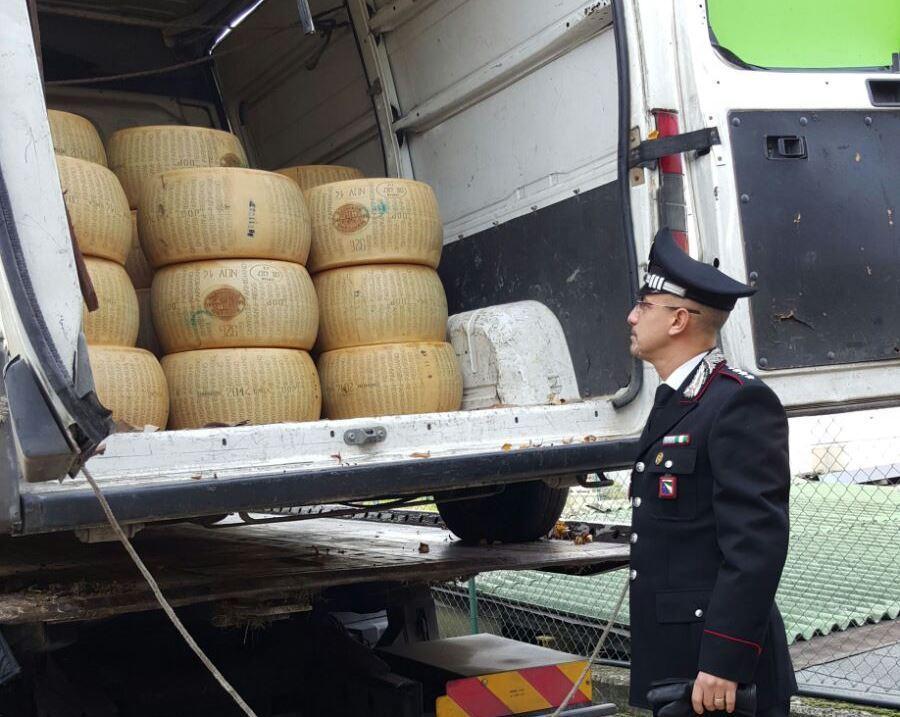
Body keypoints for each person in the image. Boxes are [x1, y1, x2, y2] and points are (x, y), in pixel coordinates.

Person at [625, 228, 797, 716]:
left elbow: (756, 543)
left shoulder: (738, 401)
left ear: (679, 319)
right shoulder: (679, 401)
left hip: (718, 669)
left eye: (644, 305)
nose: (631, 317)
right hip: (682, 660)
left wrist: (724, 659)